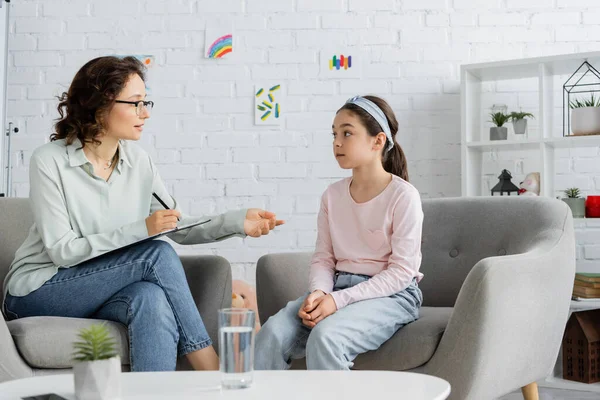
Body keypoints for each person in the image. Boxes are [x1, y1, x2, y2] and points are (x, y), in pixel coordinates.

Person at [2, 56, 283, 372]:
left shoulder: (139, 162)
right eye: (135, 103)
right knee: (155, 253)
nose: (145, 113)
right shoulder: (49, 161)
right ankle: (210, 368)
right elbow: (62, 251)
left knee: (150, 298)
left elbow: (174, 225)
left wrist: (237, 221)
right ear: (100, 104)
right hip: (39, 289)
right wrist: (141, 229)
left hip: (104, 285)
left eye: (145, 102)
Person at [254, 95, 423, 370]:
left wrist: (337, 300)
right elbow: (324, 258)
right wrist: (320, 292)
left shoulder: (403, 196)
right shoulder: (332, 196)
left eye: (347, 133)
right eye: (334, 134)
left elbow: (402, 272)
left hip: (393, 296)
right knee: (272, 334)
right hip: (339, 287)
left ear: (377, 141)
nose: (337, 142)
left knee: (325, 338)